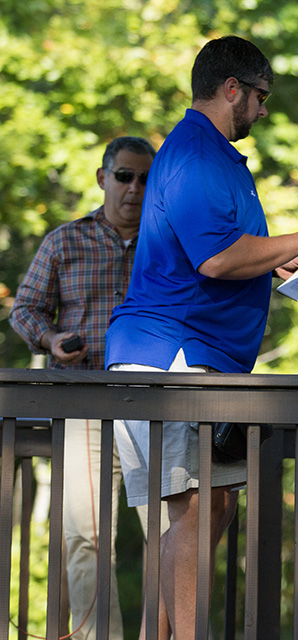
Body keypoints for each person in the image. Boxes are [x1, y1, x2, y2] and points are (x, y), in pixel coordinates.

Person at [104, 36, 298, 639]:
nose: (263, 110)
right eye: (261, 97)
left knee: (212, 505)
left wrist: (276, 260)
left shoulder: (215, 156)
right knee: (195, 506)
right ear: (232, 89)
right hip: (171, 355)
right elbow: (213, 259)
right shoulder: (196, 153)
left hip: (201, 359)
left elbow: (227, 251)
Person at [10, 136, 157, 640]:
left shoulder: (169, 243)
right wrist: (51, 340)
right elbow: (24, 309)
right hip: (82, 403)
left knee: (169, 533)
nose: (134, 188)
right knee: (84, 536)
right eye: (124, 176)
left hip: (153, 403)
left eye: (145, 178)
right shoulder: (64, 240)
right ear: (102, 178)